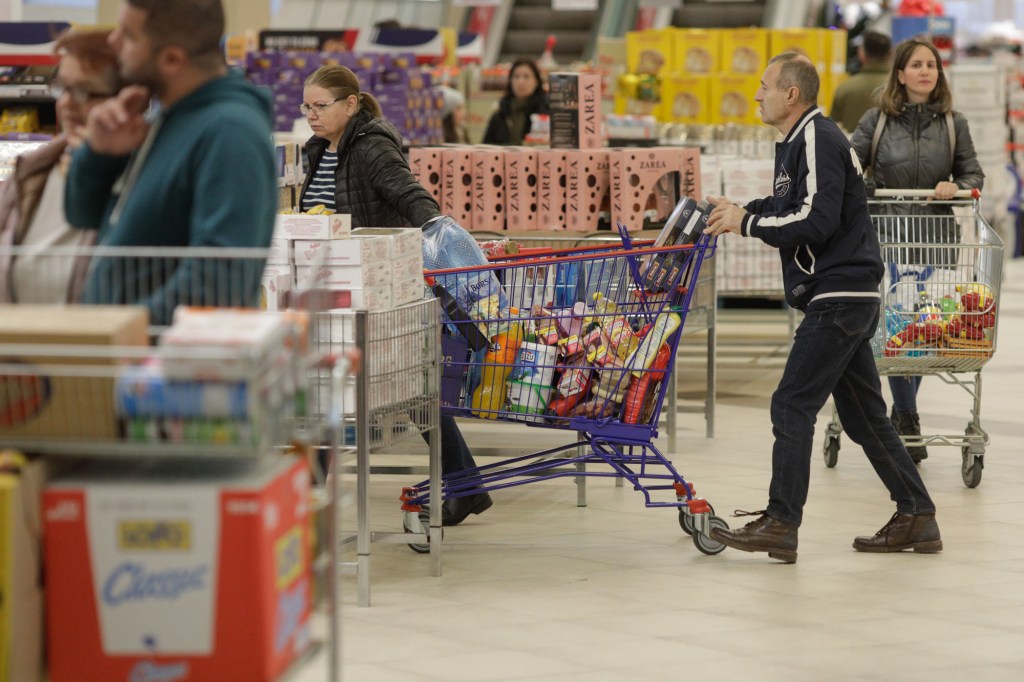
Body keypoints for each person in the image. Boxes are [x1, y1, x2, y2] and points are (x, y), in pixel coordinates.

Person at [703, 52, 941, 564]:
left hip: (839, 293)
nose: (756, 95)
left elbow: (815, 220)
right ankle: (917, 515)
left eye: (764, 86)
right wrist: (742, 209)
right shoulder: (796, 141)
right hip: (843, 294)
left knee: (791, 404)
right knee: (865, 419)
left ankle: (781, 522)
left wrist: (746, 224)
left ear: (792, 94)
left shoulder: (817, 135)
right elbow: (791, 205)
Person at [299, 63, 492, 526]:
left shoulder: (370, 146)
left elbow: (411, 196)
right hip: (339, 284)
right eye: (306, 106)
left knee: (348, 385)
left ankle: (303, 496)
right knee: (394, 388)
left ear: (350, 104)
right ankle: (466, 487)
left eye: (320, 106)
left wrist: (435, 247)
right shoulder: (318, 150)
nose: (311, 115)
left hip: (381, 287)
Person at [64, 0, 277, 326]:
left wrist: (122, 333)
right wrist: (99, 154)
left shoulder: (230, 133)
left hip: (170, 368)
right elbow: (82, 215)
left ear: (172, 59)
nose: (113, 41)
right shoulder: (161, 117)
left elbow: (219, 282)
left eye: (128, 35)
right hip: (130, 363)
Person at [850, 38, 984, 463]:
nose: (926, 71)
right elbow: (849, 165)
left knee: (923, 329)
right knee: (895, 329)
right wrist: (867, 186)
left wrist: (956, 187)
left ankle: (904, 415)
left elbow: (972, 172)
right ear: (900, 73)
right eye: (917, 65)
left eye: (932, 65)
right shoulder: (877, 120)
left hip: (934, 238)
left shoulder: (952, 123)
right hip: (886, 235)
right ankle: (906, 415)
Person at [0, 28, 124, 304]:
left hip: (93, 343)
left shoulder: (136, 178)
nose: (66, 103)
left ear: (127, 99)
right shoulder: (33, 170)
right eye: (63, 87)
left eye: (84, 92)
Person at [830, 31, 892, 133]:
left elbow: (832, 128)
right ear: (891, 53)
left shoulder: (845, 88)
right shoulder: (902, 86)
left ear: (861, 54)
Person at [482, 59, 549, 145]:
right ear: (510, 81)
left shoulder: (544, 112)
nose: (520, 82)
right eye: (516, 77)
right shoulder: (500, 113)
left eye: (526, 77)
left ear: (536, 81)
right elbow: (486, 145)